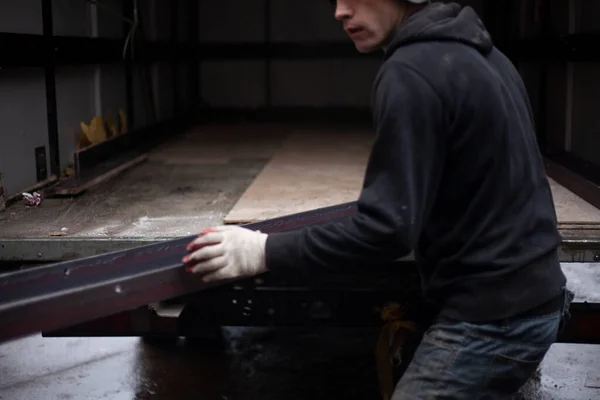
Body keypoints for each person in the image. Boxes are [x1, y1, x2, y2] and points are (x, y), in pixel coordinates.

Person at [182, 0, 573, 398]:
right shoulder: (489, 56)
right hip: (539, 294)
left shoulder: (409, 72)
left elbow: (387, 230)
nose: (339, 12)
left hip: (494, 320)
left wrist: (262, 251)